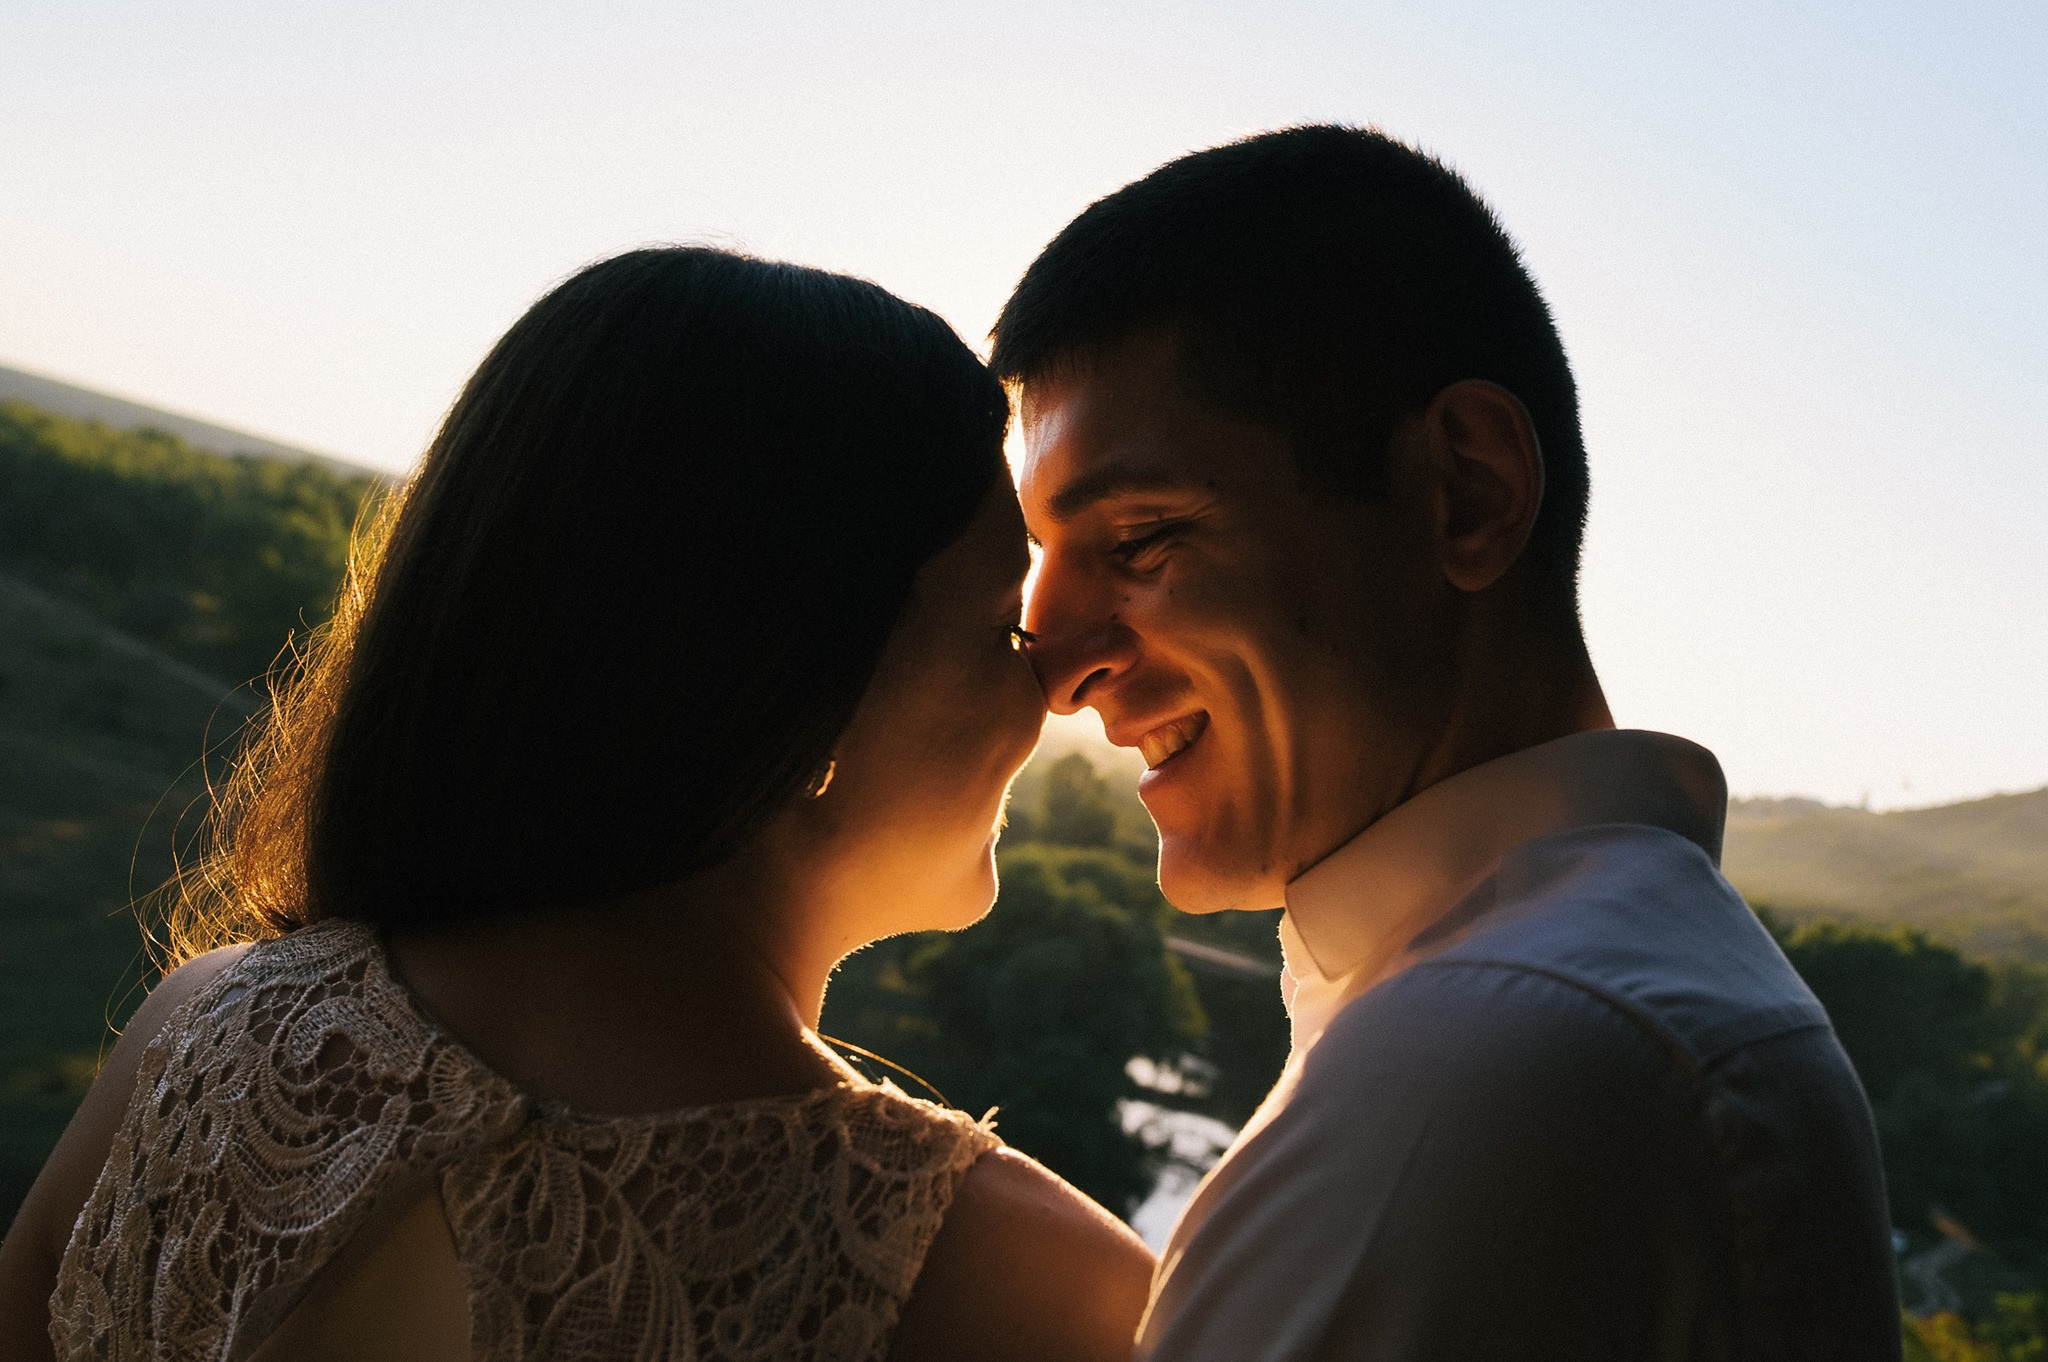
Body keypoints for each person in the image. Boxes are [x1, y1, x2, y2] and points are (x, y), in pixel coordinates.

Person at [0, 247, 1153, 1361]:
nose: (1053, 689)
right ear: (807, 701)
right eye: (1004, 628)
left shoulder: (198, 1040)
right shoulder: (1018, 1289)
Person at [996, 126, 1902, 1359]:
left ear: (1465, 492)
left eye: (1141, 538)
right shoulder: (1603, 1002)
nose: (1051, 665)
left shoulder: (1489, 1065)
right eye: (1036, 566)